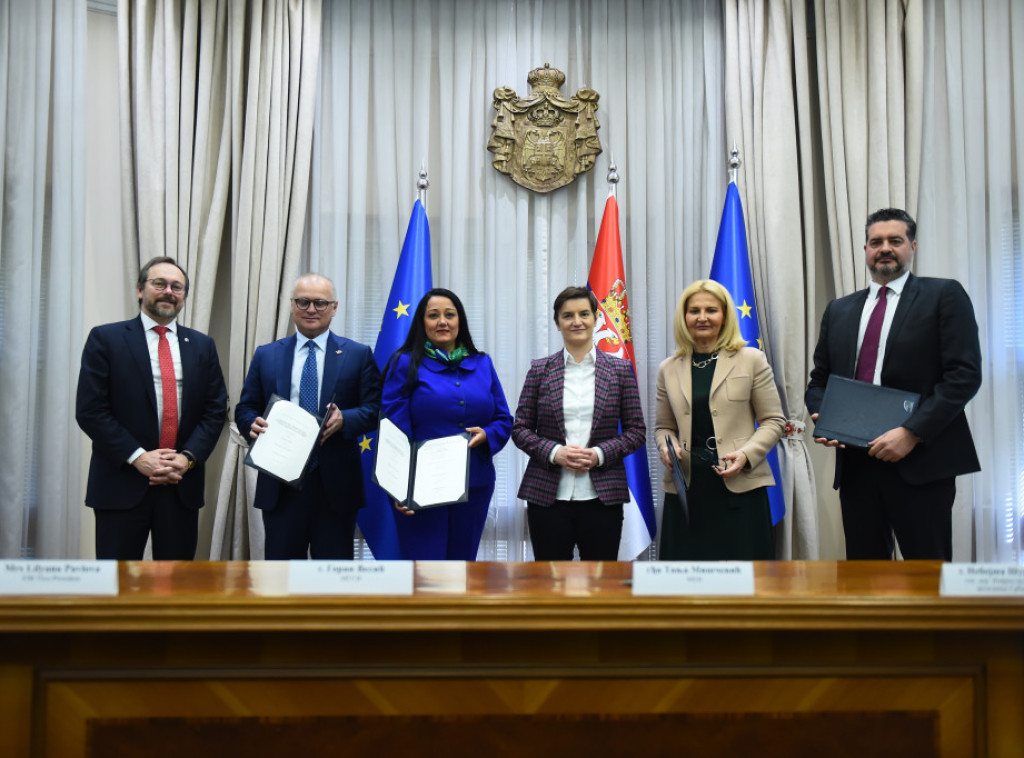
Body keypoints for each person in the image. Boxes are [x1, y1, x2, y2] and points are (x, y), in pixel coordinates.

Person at [805, 208, 982, 561]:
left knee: (928, 577)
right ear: (865, 249)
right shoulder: (839, 310)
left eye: (895, 240)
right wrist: (824, 416)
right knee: (864, 577)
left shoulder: (944, 295)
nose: (884, 248)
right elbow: (819, 380)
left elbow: (963, 376)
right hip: (857, 467)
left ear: (912, 246)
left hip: (921, 463)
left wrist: (912, 432)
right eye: (876, 242)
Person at [76, 257, 227, 560]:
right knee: (117, 582)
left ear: (184, 296)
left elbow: (214, 410)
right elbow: (91, 410)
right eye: (159, 284)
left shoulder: (202, 345)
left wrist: (187, 459)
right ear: (140, 290)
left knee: (176, 583)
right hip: (121, 483)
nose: (168, 291)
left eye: (177, 287)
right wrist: (138, 457)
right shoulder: (106, 339)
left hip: (180, 484)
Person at [235, 273, 381, 559]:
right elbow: (245, 407)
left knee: (333, 577)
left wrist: (345, 419)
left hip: (336, 487)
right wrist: (251, 423)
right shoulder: (266, 355)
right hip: (280, 484)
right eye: (303, 302)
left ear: (334, 307)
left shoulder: (358, 354)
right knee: (281, 576)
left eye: (320, 303)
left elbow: (375, 409)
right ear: (292, 306)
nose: (311, 309)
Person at [512, 286, 646, 561]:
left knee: (600, 580)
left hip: (602, 497)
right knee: (550, 580)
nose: (577, 321)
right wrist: (554, 452)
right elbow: (520, 429)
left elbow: (636, 431)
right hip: (547, 497)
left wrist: (599, 454)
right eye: (568, 315)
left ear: (596, 318)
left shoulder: (620, 370)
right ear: (557, 323)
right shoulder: (539, 370)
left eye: (584, 314)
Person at [655, 279, 784, 560]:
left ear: (724, 316)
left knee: (746, 576)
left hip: (740, 484)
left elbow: (774, 420)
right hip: (688, 489)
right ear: (684, 317)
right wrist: (666, 446)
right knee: (686, 577)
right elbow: (664, 427)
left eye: (711, 310)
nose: (702, 317)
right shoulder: (668, 368)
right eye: (694, 311)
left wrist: (746, 455)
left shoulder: (751, 359)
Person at [380, 288, 512, 560]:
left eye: (449, 315)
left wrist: (487, 434)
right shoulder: (404, 362)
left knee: (462, 567)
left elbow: (503, 419)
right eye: (433, 315)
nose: (442, 321)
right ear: (422, 322)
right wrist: (400, 486)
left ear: (459, 320)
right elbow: (394, 428)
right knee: (426, 570)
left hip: (475, 483)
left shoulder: (482, 363)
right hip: (420, 486)